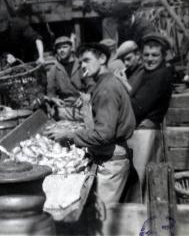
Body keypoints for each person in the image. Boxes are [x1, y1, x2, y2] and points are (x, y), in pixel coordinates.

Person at [45, 42, 136, 205]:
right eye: (81, 63)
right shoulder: (104, 83)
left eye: (87, 60)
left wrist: (69, 135)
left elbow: (103, 135)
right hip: (112, 153)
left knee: (104, 217)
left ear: (102, 59)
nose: (83, 66)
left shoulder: (106, 88)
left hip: (112, 160)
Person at [127, 33, 174, 200]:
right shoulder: (147, 73)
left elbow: (138, 107)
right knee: (144, 180)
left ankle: (138, 217)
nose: (150, 59)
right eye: (146, 55)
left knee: (139, 180)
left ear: (163, 56)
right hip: (144, 133)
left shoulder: (160, 75)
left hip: (145, 134)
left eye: (155, 55)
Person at [46, 36, 84, 100]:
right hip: (64, 103)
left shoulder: (80, 65)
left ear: (71, 48)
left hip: (82, 100)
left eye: (65, 47)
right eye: (59, 48)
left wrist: (84, 98)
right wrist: (54, 99)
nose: (62, 50)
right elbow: (50, 91)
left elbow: (91, 85)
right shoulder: (54, 69)